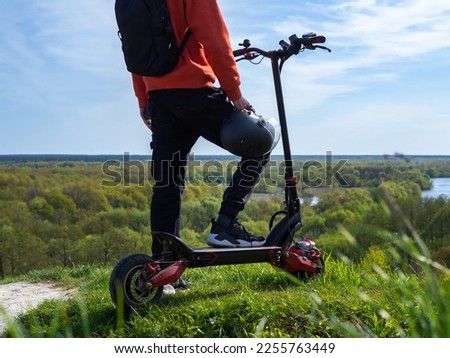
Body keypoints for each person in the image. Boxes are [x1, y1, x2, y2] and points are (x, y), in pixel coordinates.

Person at [131, 0, 270, 260]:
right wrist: (234, 92)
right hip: (194, 92)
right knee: (259, 143)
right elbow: (215, 38)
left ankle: (164, 264)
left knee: (167, 183)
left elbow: (136, 50)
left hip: (158, 99)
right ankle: (225, 225)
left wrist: (143, 99)